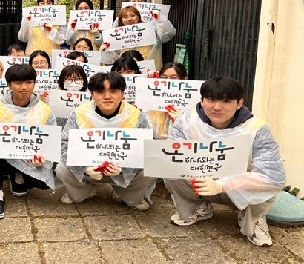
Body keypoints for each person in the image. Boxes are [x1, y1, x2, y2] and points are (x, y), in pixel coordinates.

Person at [164, 77, 285, 247]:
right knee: (169, 169)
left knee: (265, 184)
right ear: (202, 100)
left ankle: (254, 219)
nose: (217, 107)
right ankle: (196, 208)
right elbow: (171, 157)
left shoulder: (257, 128)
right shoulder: (186, 121)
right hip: (202, 183)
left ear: (239, 103)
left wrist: (222, 184)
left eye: (226, 101)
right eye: (211, 99)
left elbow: (274, 178)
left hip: (241, 188)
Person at [0, 64, 58, 220]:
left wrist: (42, 157)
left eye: (29, 82)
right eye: (18, 83)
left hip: (31, 158)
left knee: (43, 184)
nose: (24, 87)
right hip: (1, 158)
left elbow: (50, 142)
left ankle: (17, 174)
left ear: (34, 83)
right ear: (9, 85)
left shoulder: (44, 109)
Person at [56, 72, 155, 209]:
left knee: (153, 166)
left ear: (122, 94)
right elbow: (64, 144)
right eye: (100, 91)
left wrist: (126, 166)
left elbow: (147, 149)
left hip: (124, 170)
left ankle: (127, 194)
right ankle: (82, 191)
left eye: (113, 91)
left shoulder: (136, 116)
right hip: (90, 170)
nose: (107, 96)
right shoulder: (79, 113)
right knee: (61, 168)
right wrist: (84, 168)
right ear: (92, 94)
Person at [100, 5, 176, 70]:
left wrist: (160, 20)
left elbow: (168, 34)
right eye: (125, 17)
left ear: (138, 17)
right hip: (127, 72)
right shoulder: (116, 35)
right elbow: (113, 59)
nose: (129, 19)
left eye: (133, 16)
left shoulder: (151, 30)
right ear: (121, 20)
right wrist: (106, 51)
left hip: (150, 71)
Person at [148, 62, 188, 139]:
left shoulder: (192, 102)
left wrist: (181, 120)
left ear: (185, 78)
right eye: (164, 77)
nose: (168, 81)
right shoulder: (151, 100)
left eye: (173, 77)